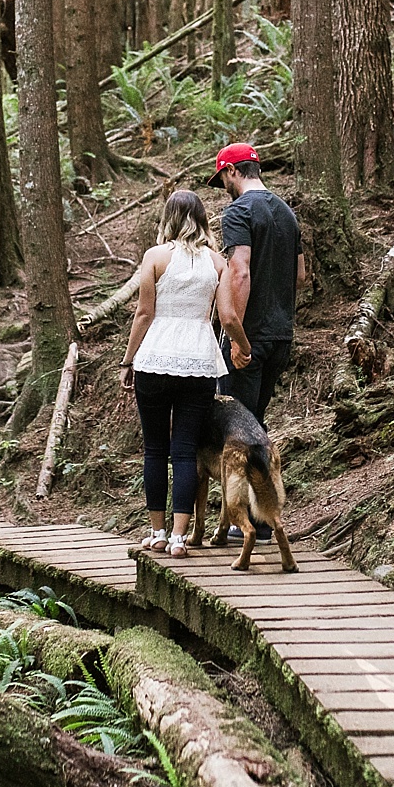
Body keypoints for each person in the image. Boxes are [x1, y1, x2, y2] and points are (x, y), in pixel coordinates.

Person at [120, 190, 244, 558]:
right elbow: (226, 316)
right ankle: (179, 538)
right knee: (186, 451)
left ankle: (157, 533)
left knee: (155, 449)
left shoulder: (155, 257)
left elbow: (144, 313)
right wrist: (243, 347)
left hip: (155, 358)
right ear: (203, 220)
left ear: (168, 219)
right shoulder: (217, 263)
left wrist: (128, 360)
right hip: (199, 362)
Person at [209, 142, 306, 428]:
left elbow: (240, 273)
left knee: (235, 426)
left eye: (223, 179)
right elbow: (300, 276)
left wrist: (238, 340)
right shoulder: (287, 212)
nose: (224, 185)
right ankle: (263, 473)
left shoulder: (238, 212)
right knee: (255, 424)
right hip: (280, 337)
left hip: (249, 336)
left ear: (231, 171)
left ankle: (245, 474)